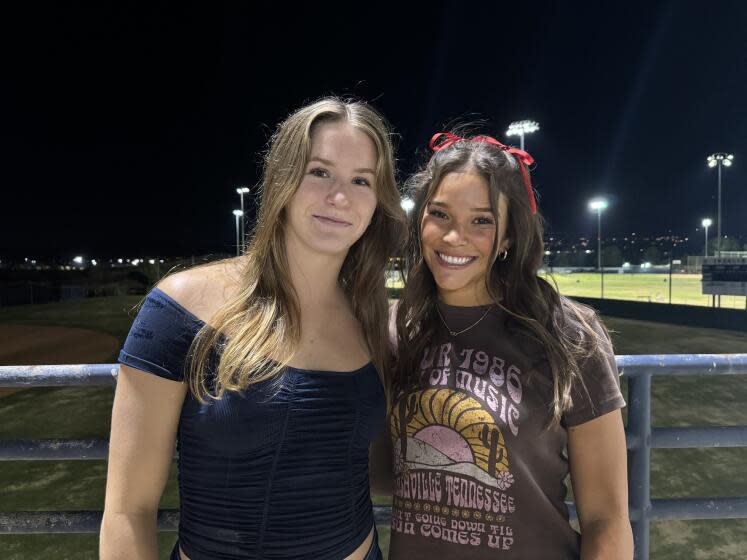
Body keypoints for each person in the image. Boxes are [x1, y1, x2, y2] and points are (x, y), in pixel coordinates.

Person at [100, 97, 405, 560]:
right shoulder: (182, 306)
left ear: (376, 201)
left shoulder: (370, 321)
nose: (339, 197)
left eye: (361, 180)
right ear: (282, 179)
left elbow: (374, 469)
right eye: (319, 171)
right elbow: (128, 510)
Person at [386, 132, 633, 559]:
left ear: (509, 237)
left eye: (481, 221)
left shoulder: (569, 335)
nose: (453, 238)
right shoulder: (395, 328)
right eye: (439, 214)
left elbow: (605, 519)